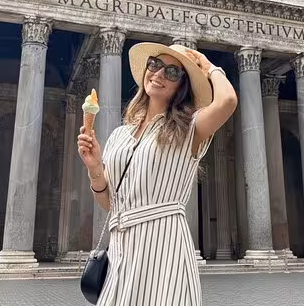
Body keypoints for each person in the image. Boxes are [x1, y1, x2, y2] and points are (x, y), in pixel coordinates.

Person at [77, 43, 237, 305]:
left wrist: (208, 67)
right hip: (121, 252)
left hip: (165, 248)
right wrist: (95, 168)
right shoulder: (120, 135)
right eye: (154, 65)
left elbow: (227, 101)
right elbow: (111, 205)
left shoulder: (190, 128)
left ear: (182, 86)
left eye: (172, 72)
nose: (159, 74)